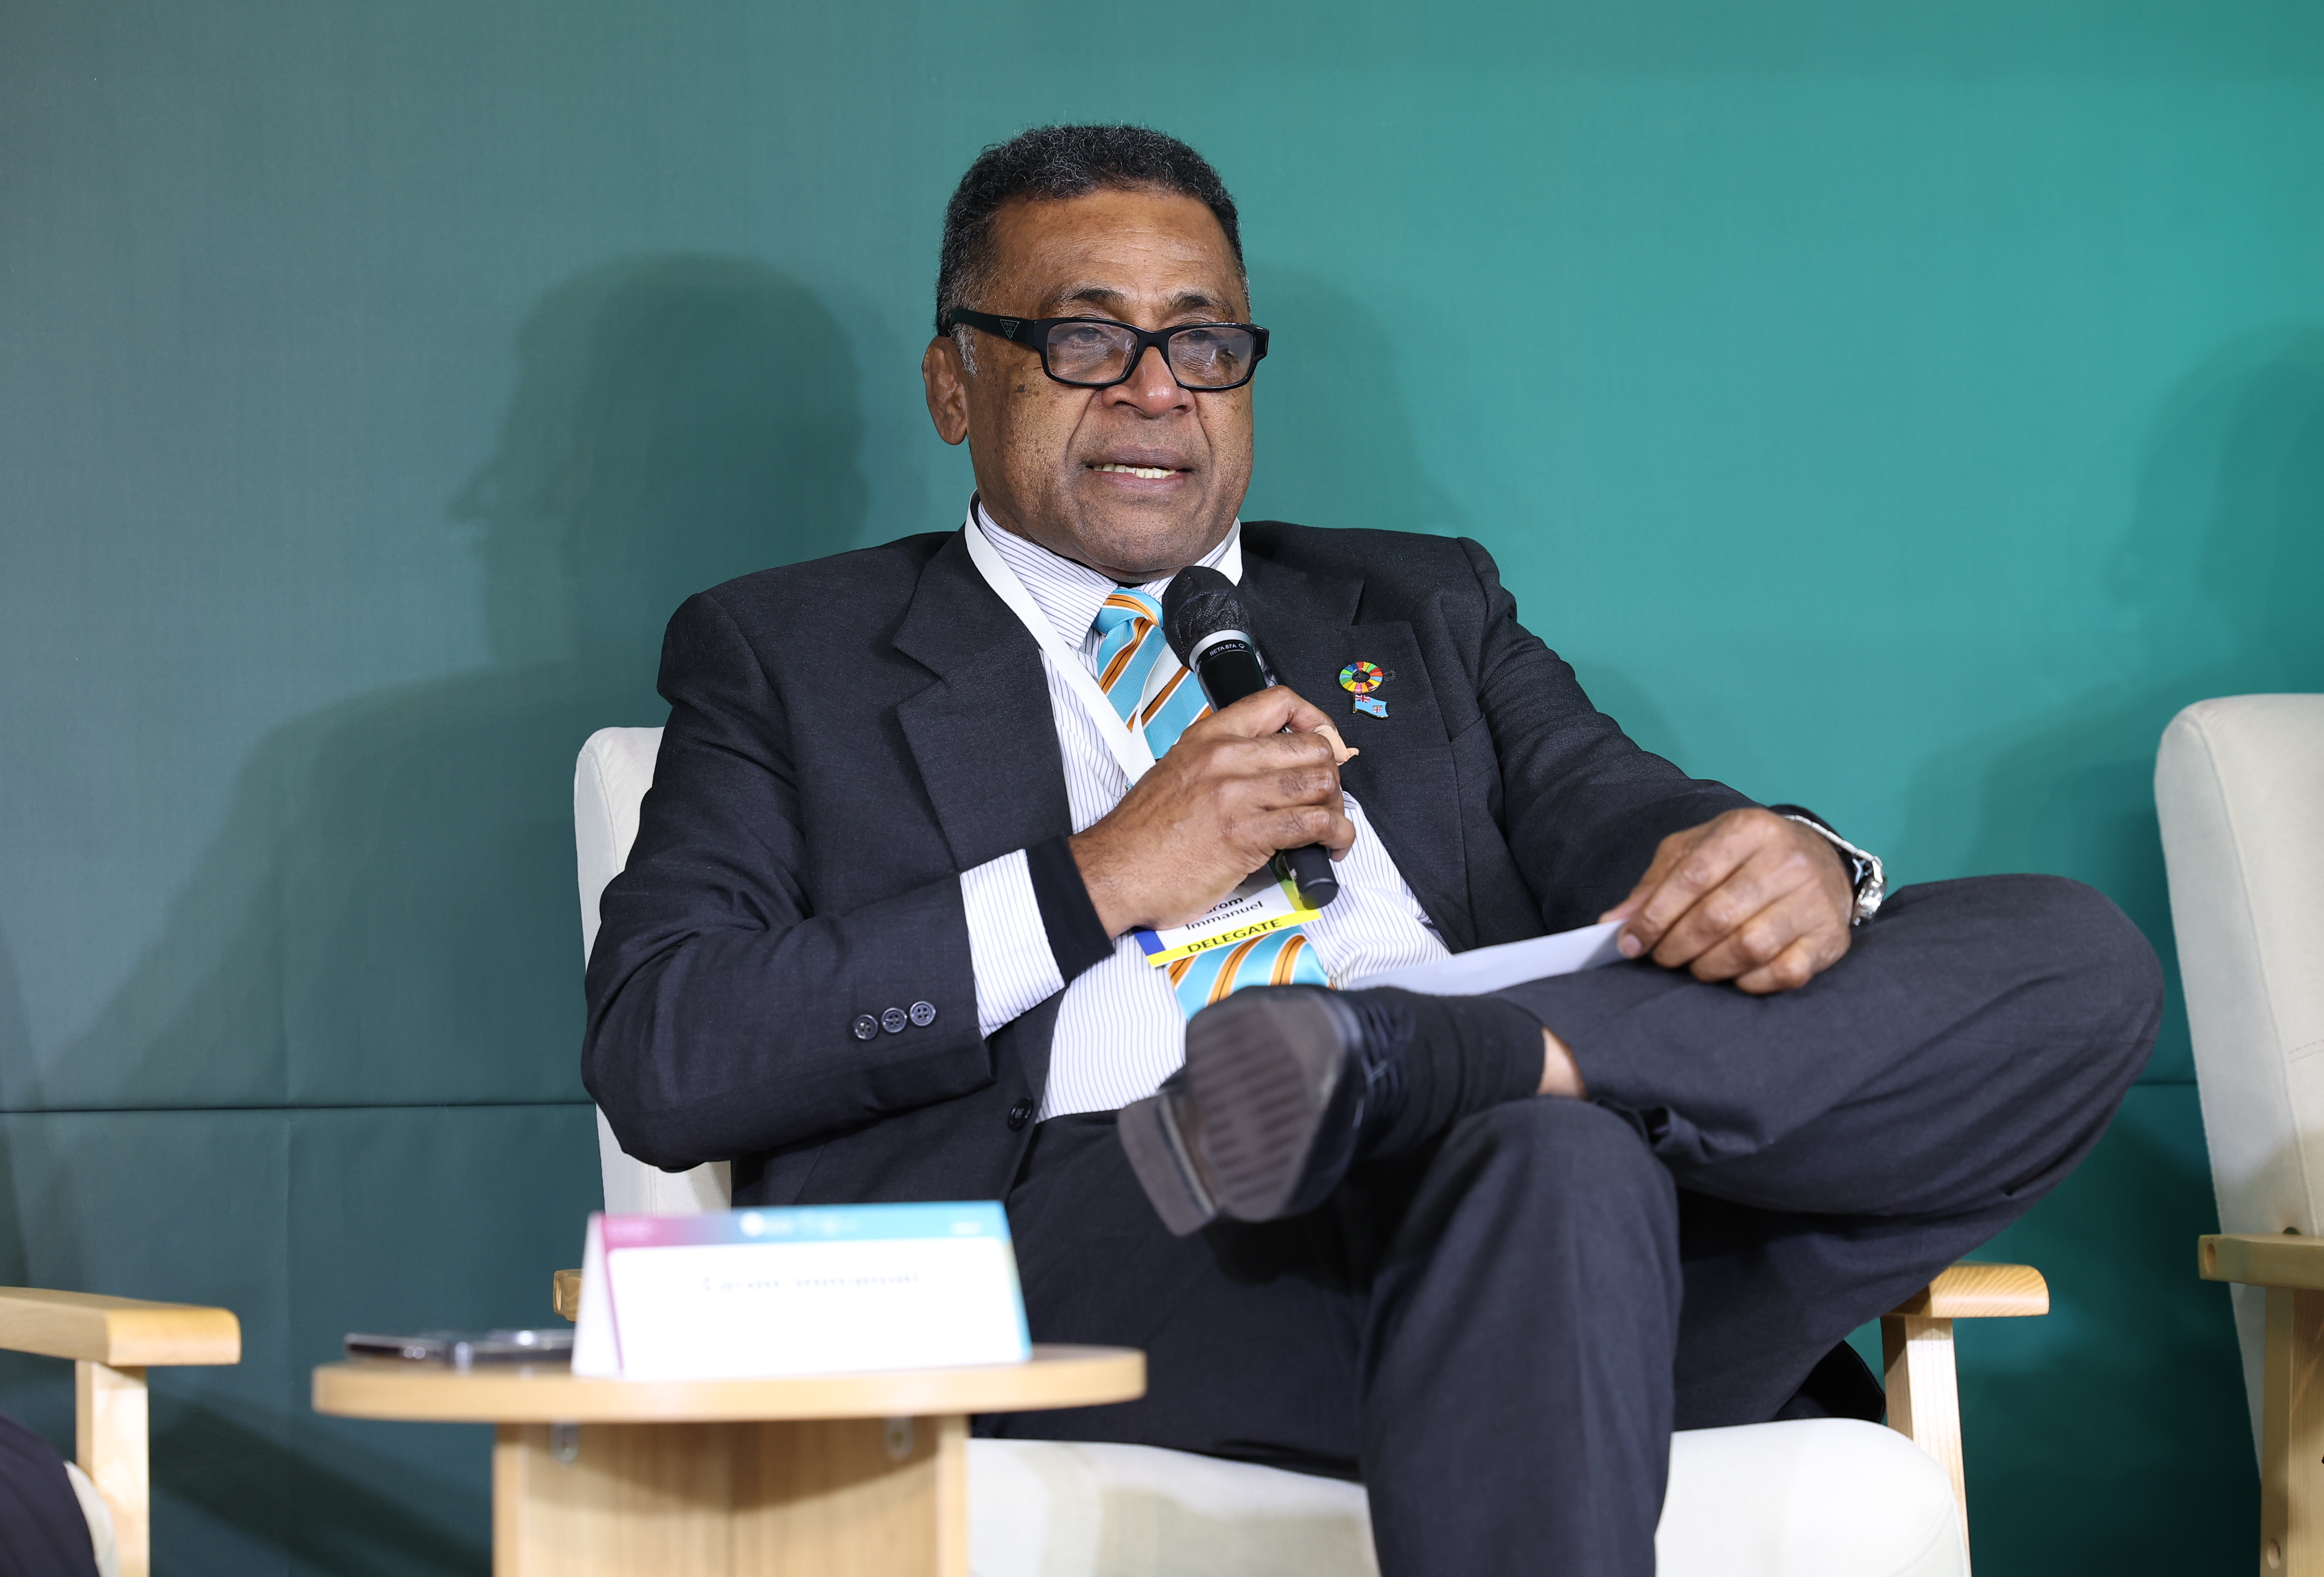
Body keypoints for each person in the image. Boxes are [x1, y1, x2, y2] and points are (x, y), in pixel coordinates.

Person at [583, 124, 2160, 1575]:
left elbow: (1624, 815)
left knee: (2067, 957)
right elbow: (667, 1048)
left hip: (1580, 1215)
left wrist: (1788, 862)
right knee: (1556, 1153)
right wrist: (1106, 874)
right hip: (1142, 1238)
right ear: (954, 383)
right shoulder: (790, 654)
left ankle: (1438, 1058)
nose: (1156, 390)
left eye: (1203, 342)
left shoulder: (1421, 606)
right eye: (1087, 338)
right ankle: (1457, 1074)